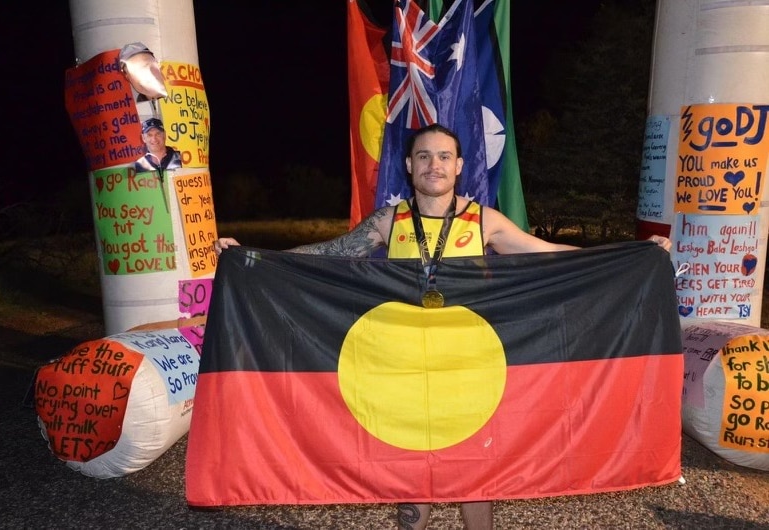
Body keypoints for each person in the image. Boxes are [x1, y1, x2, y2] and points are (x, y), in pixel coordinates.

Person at [214, 123, 671, 529]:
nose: (435, 164)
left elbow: (548, 253)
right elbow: (330, 254)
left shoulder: (484, 221)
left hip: (469, 366)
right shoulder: (388, 222)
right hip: (401, 366)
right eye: (425, 156)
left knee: (475, 465)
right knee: (411, 462)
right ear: (410, 166)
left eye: (445, 156)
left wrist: (633, 253)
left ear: (460, 167)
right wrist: (253, 258)